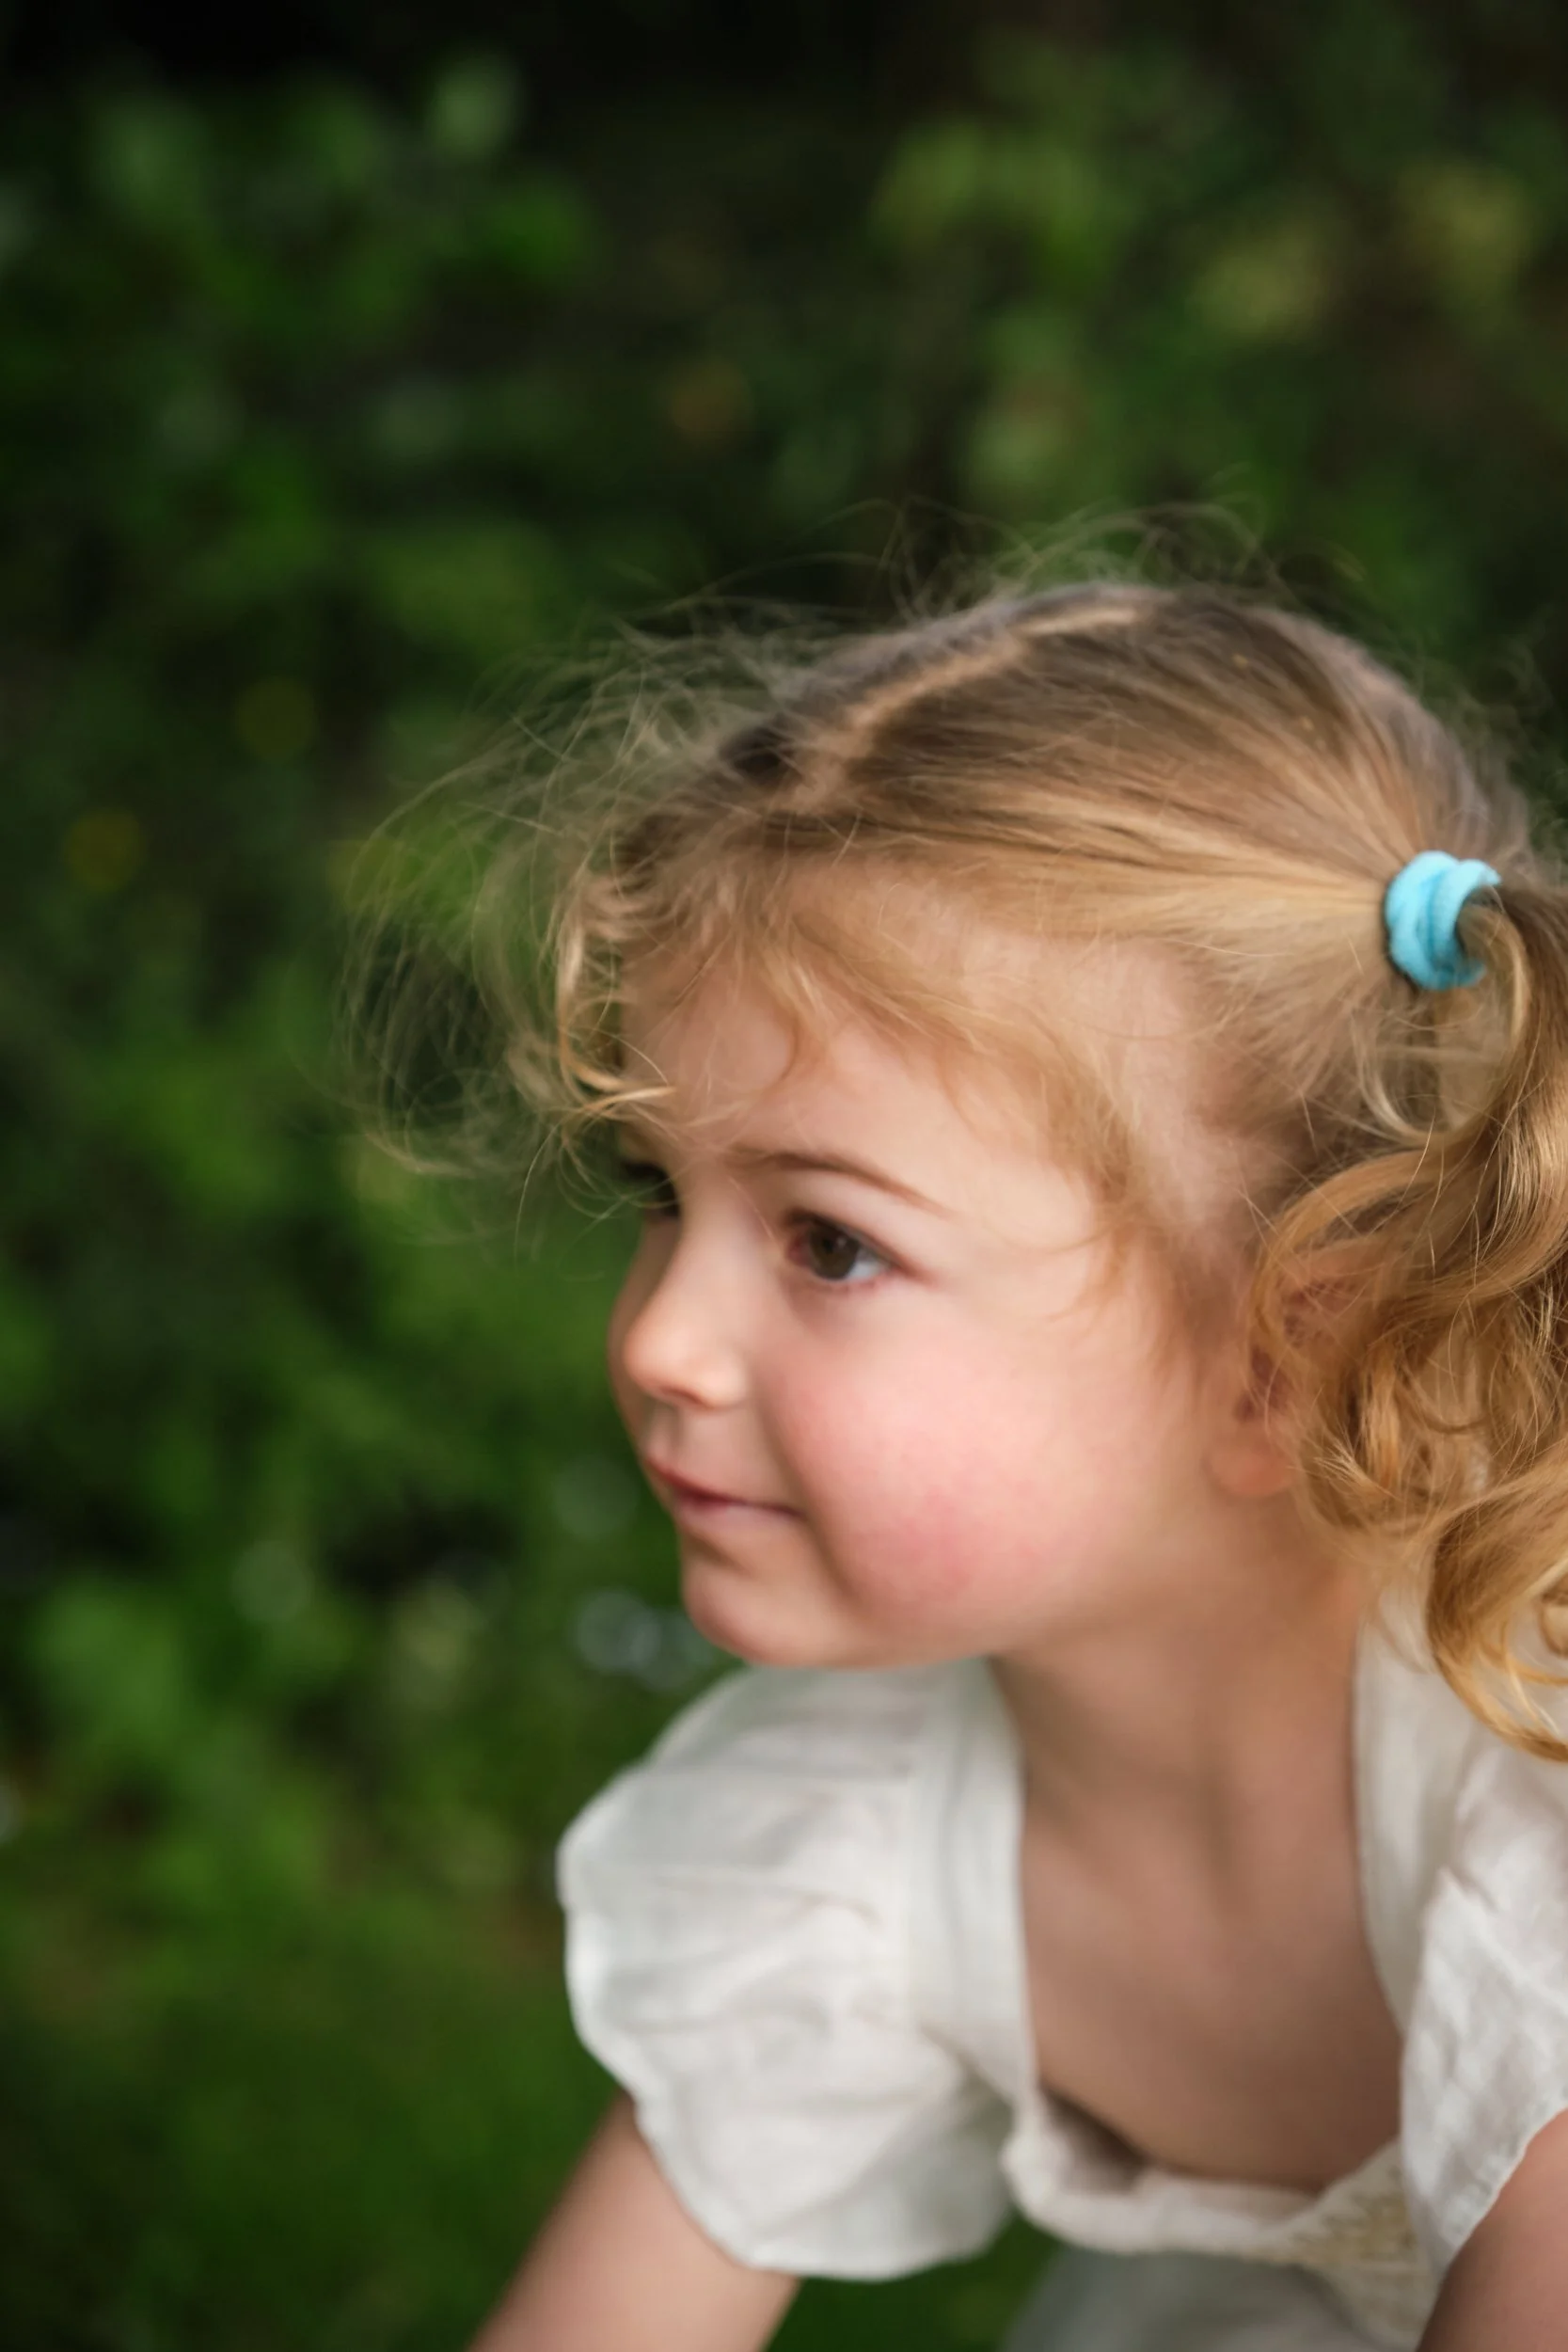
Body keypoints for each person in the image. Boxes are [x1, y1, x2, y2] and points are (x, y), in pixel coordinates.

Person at [461, 582, 1568, 2349]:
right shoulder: (860, 1824)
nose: (659, 1338)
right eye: (663, 1202)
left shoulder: (1530, 1815)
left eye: (828, 1243)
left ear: (1282, 1355)